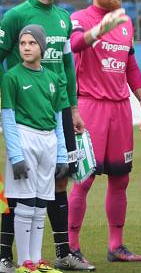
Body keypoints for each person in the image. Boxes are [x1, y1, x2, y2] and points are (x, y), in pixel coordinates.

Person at [0, 0, 89, 272]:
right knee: (19, 184)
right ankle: (5, 255)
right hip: (23, 112)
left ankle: (63, 253)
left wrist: (74, 107)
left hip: (59, 110)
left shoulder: (64, 18)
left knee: (59, 179)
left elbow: (67, 65)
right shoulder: (15, 17)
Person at [67, 0, 141, 263]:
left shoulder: (126, 23)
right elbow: (75, 44)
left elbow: (131, 66)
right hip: (90, 107)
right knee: (84, 178)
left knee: (120, 179)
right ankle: (71, 247)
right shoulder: (79, 19)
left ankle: (116, 246)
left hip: (120, 110)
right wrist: (101, 28)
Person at [1, 25, 68, 273]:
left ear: (42, 46)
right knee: (26, 203)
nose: (26, 48)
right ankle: (24, 261)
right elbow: (7, 117)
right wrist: (16, 155)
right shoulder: (12, 77)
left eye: (31, 43)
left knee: (41, 203)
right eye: (22, 43)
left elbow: (59, 119)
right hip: (24, 138)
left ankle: (38, 260)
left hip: (48, 141)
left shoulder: (53, 78)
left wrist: (61, 155)